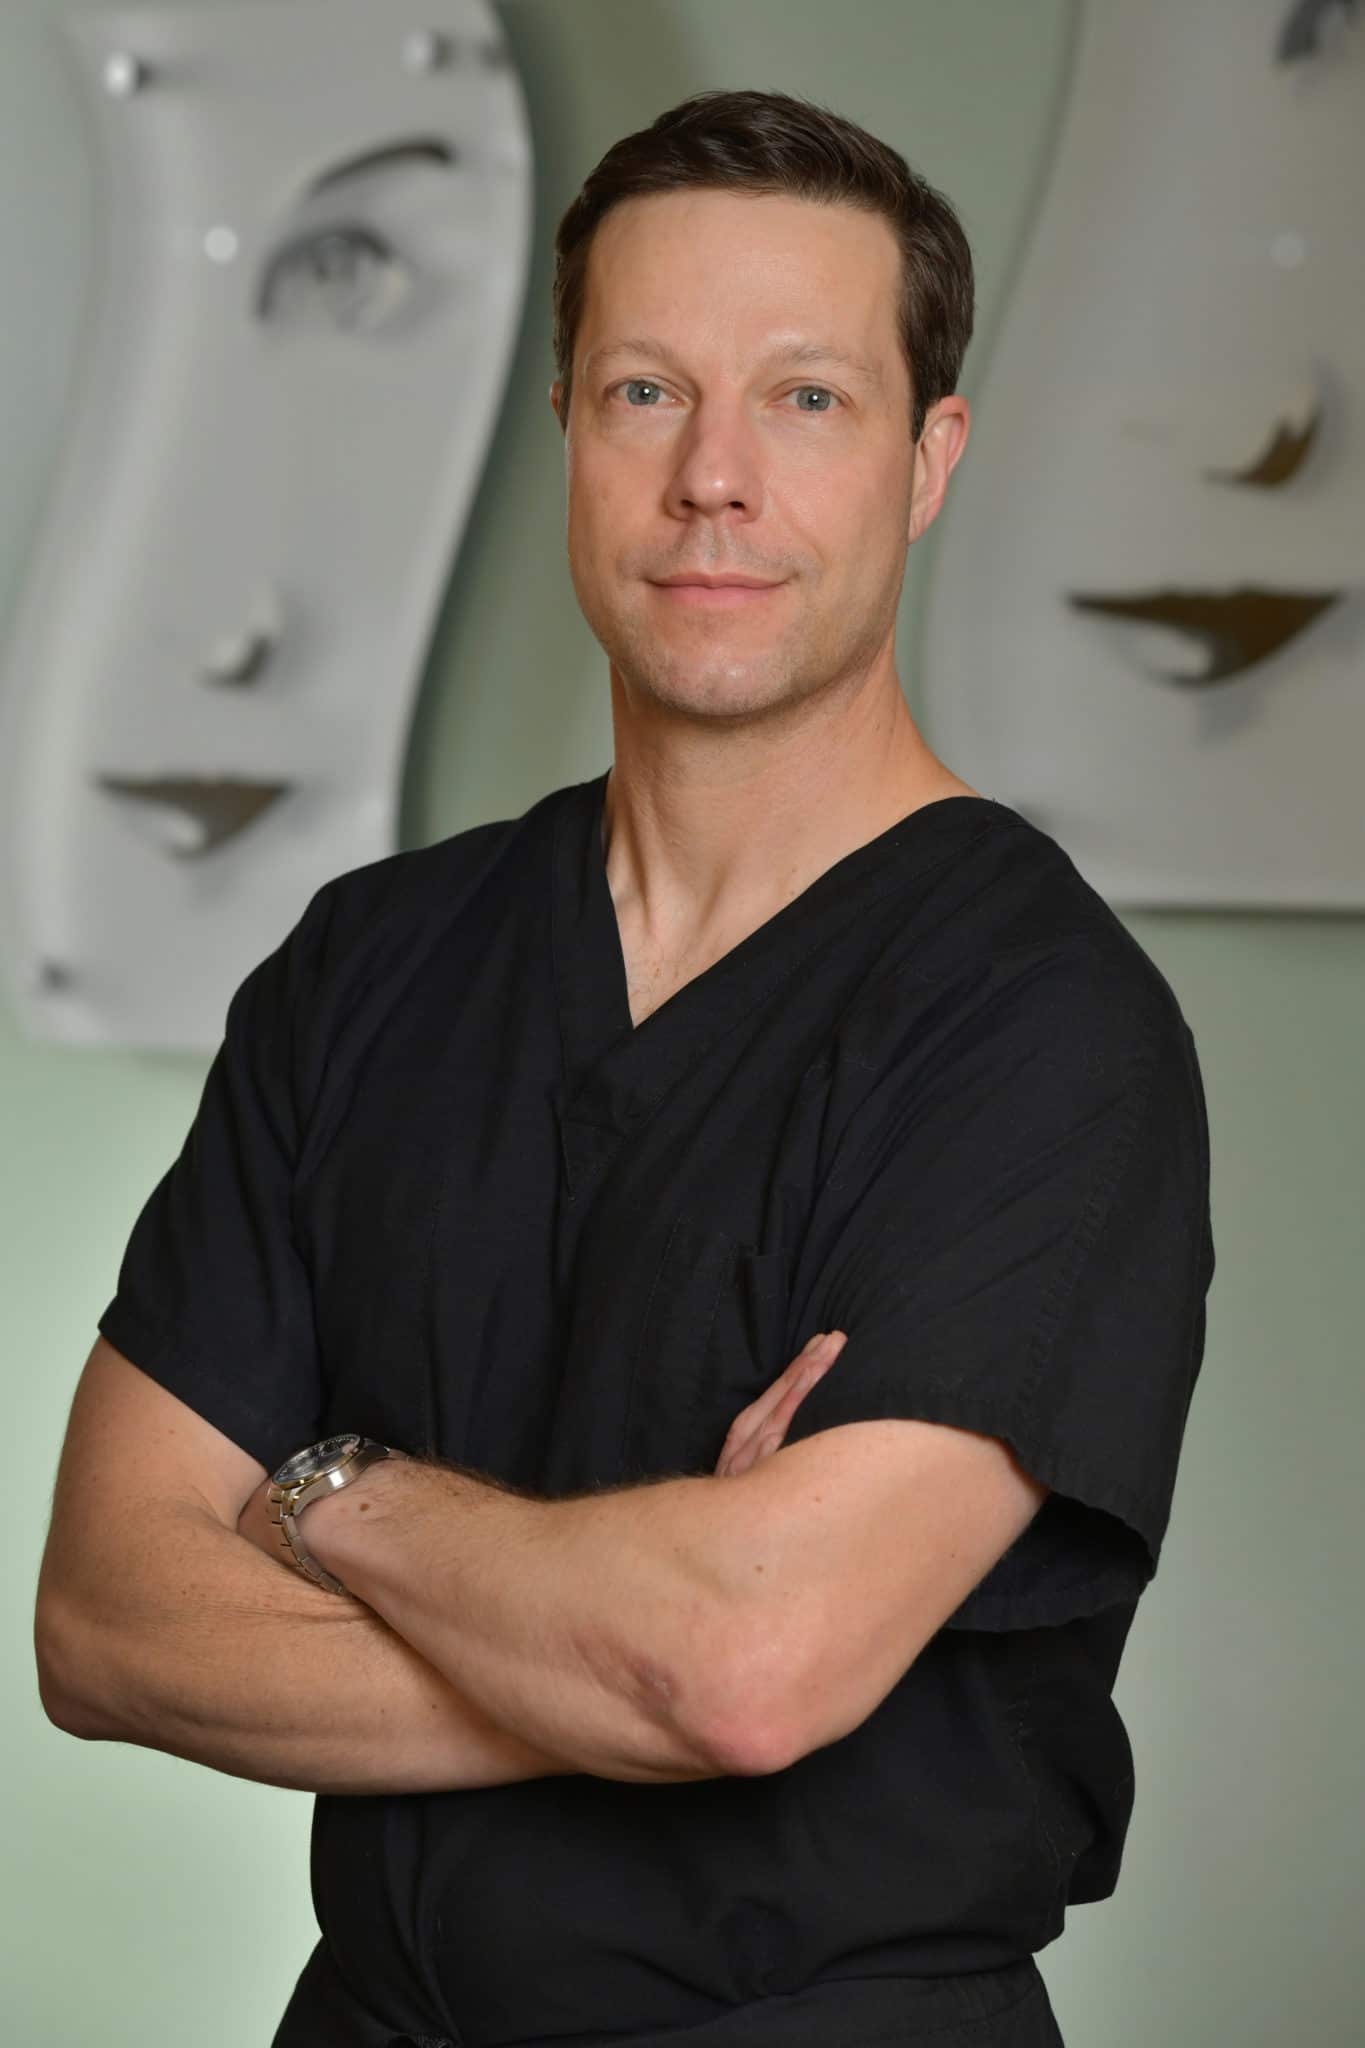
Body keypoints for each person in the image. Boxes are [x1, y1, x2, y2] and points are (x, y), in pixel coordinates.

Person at [34, 88, 1215, 2048]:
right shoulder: (371, 966)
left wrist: (335, 1492)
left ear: (928, 459)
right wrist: (624, 1657)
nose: (713, 482)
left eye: (807, 400)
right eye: (645, 393)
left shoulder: (1038, 1024)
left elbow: (738, 1669)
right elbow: (101, 1622)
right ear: (568, 428)